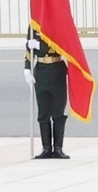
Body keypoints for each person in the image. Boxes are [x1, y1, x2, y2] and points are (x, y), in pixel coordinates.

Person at [25, 23, 70, 160]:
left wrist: (39, 45)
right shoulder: (34, 24)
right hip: (41, 70)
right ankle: (46, 148)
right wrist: (27, 68)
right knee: (43, 113)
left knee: (58, 113)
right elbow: (28, 49)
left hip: (57, 69)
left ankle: (58, 148)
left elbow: (61, 44)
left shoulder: (57, 21)